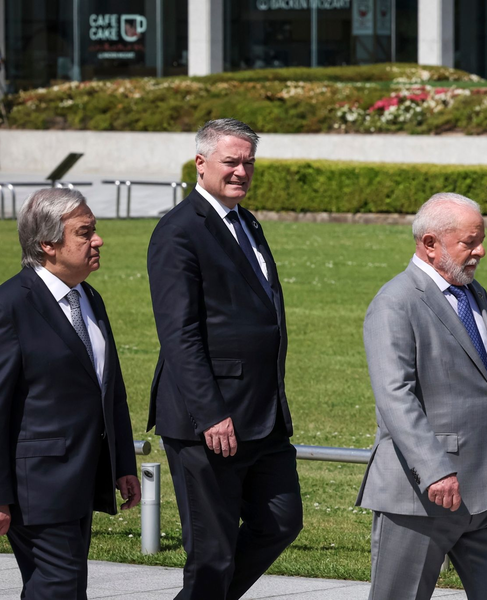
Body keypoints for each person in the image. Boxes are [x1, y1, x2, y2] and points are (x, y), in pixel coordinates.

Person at [147, 118, 301, 600]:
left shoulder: (246, 222)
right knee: (212, 554)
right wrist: (211, 412)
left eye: (248, 162)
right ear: (201, 163)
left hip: (263, 415)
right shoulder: (179, 231)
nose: (241, 171)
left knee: (280, 522)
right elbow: (179, 334)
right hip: (208, 420)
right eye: (231, 161)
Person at [356, 193, 487, 600]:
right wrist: (435, 469)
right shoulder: (395, 302)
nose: (481, 251)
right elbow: (395, 395)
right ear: (430, 244)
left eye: (481, 239)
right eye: (469, 242)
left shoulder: (472, 293)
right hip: (421, 495)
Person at [0, 188, 140, 600]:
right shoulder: (12, 305)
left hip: (81, 480)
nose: (98, 240)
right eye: (85, 232)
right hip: (36, 488)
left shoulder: (89, 298)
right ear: (48, 244)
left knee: (62, 588)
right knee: (58, 588)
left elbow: (108, 390)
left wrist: (122, 464)